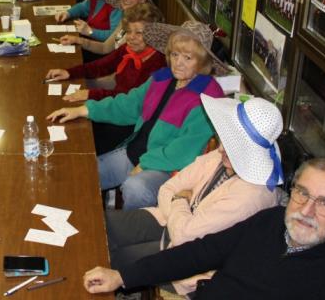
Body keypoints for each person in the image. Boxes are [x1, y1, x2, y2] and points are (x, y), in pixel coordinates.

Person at [84, 157, 325, 300]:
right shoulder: (270, 220)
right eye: (302, 193)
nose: (306, 210)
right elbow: (200, 252)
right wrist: (122, 276)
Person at [106, 95, 284, 296]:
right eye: (227, 138)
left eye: (234, 145)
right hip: (169, 222)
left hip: (193, 266)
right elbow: (168, 188)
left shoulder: (251, 197)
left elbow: (185, 238)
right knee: (104, 226)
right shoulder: (222, 157)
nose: (221, 148)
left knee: (116, 260)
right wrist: (179, 212)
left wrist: (181, 201)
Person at [47, 21, 226, 210]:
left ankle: (123, 231)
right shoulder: (163, 77)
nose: (178, 63)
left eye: (188, 58)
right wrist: (85, 110)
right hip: (134, 153)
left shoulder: (208, 97)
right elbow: (129, 104)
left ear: (203, 61)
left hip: (167, 168)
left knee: (135, 187)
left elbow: (183, 151)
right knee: (84, 175)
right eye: (175, 54)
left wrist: (144, 164)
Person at [47, 3, 166, 155]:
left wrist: (92, 94)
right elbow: (100, 66)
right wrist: (69, 72)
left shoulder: (158, 65)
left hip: (130, 123)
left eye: (139, 33)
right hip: (112, 107)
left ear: (154, 34)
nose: (131, 37)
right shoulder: (128, 49)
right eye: (128, 31)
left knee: (82, 142)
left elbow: (129, 99)